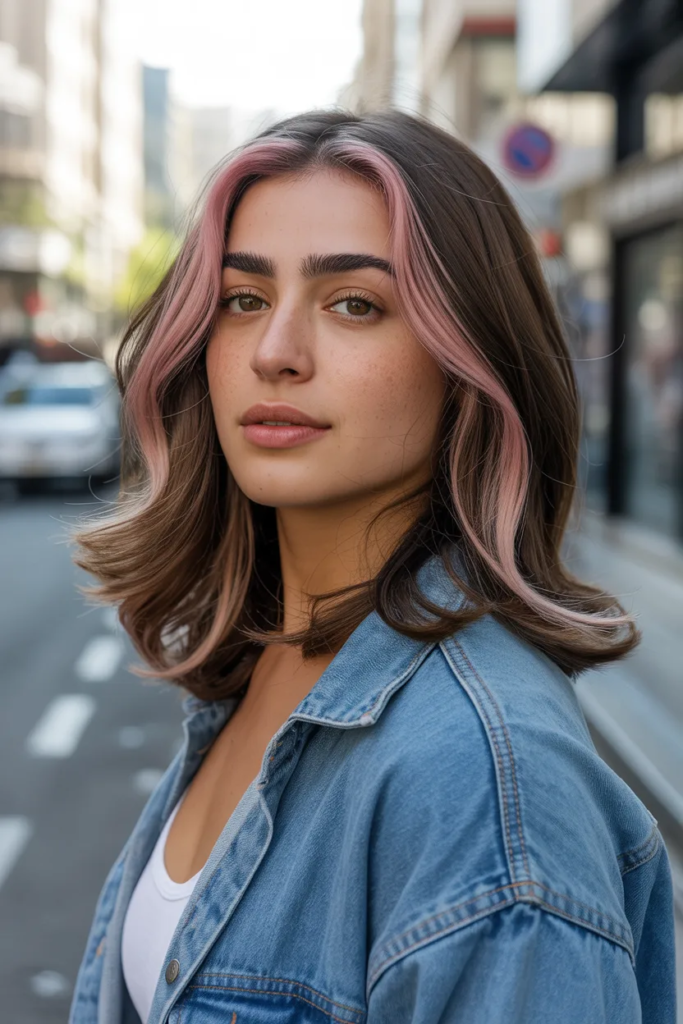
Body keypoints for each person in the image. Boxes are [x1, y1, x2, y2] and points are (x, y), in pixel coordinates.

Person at [68, 109, 676, 1024]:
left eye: (354, 303)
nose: (275, 353)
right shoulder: (270, 656)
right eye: (243, 299)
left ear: (467, 359)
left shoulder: (484, 782)